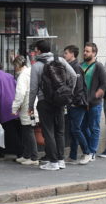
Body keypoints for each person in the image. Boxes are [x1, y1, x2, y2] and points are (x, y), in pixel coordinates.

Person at [28, 40, 77, 171]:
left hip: (45, 102)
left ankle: (53, 161)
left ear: (38, 50)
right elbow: (74, 75)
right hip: (60, 100)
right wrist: (68, 92)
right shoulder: (60, 60)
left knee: (48, 132)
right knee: (60, 131)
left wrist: (30, 105)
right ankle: (61, 160)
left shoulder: (36, 65)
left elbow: (33, 89)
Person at [63, 45, 91, 165]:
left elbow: (79, 88)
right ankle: (72, 155)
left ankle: (87, 152)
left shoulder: (76, 68)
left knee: (76, 129)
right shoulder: (70, 66)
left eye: (66, 53)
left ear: (72, 54)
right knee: (73, 130)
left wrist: (74, 102)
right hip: (72, 103)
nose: (64, 55)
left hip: (78, 104)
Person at [80, 42, 106, 160]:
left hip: (94, 103)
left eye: (87, 51)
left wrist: (97, 94)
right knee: (82, 128)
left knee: (94, 127)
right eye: (84, 51)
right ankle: (87, 149)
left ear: (94, 53)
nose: (85, 53)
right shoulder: (81, 65)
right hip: (82, 102)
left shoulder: (98, 66)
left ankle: (92, 152)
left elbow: (105, 83)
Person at [11, 55, 39, 166]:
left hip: (27, 107)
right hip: (32, 105)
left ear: (18, 66)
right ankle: (27, 155)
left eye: (14, 66)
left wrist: (14, 108)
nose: (14, 68)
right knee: (27, 131)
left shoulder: (22, 76)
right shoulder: (30, 72)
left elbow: (20, 94)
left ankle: (33, 157)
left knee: (28, 132)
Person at [0, 59, 19, 158]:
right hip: (14, 106)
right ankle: (7, 151)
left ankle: (18, 152)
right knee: (13, 130)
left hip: (4, 108)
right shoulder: (9, 76)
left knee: (5, 131)